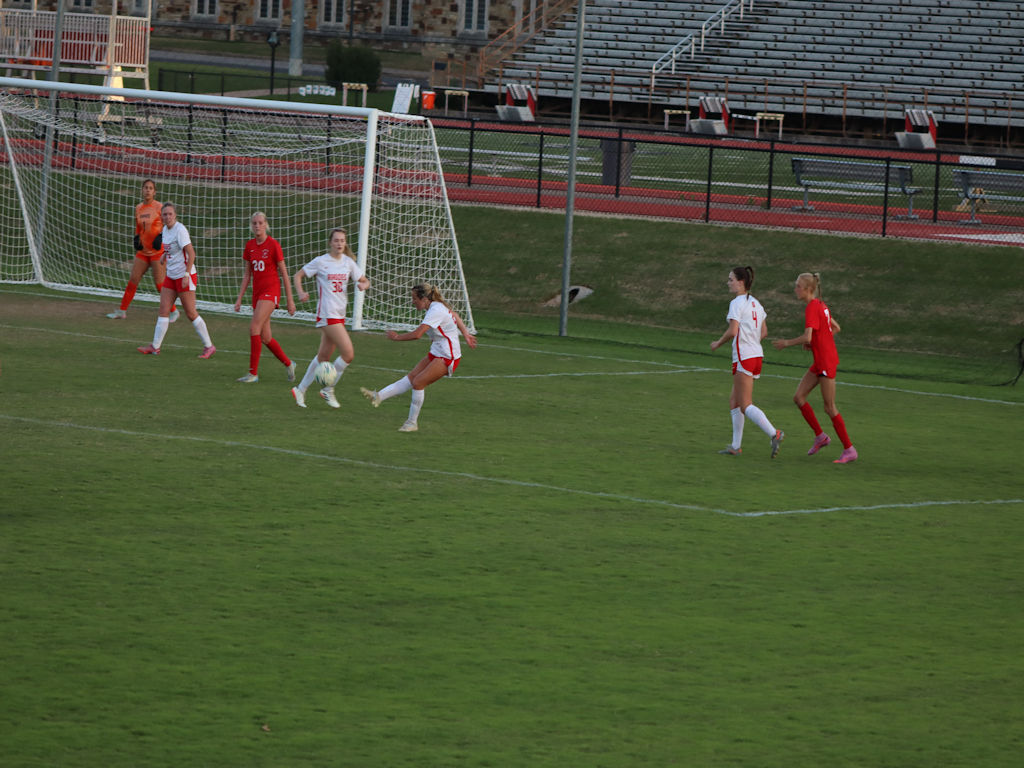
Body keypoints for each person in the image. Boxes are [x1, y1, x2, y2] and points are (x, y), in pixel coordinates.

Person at [360, 282, 477, 432]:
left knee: (418, 382)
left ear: (424, 299)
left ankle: (411, 423)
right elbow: (455, 315)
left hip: (448, 356)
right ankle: (379, 396)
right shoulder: (435, 307)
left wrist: (397, 337)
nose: (412, 301)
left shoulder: (435, 310)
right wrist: (466, 334)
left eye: (414, 298)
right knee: (411, 378)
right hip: (437, 352)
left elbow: (417, 334)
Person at [772, 272, 858, 464]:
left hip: (826, 362)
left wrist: (787, 343)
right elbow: (835, 328)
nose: (795, 289)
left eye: (798, 286)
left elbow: (807, 336)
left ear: (808, 289)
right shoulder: (821, 304)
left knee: (829, 407)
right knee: (799, 397)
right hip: (820, 360)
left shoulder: (812, 307)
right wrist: (816, 344)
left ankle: (849, 449)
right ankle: (820, 437)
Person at [290, 227, 370, 408]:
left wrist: (363, 285)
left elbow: (365, 280)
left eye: (342, 240)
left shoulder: (348, 262)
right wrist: (301, 293)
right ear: (330, 243)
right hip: (327, 314)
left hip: (340, 315)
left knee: (323, 356)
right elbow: (298, 276)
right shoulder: (321, 261)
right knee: (348, 354)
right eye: (336, 240)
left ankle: (300, 389)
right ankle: (328, 389)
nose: (339, 244)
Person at [709, 266, 784, 458]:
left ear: (741, 282)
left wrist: (718, 343)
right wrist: (751, 341)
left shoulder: (736, 303)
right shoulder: (756, 303)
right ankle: (735, 446)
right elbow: (764, 332)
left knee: (745, 404)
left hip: (744, 356)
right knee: (734, 400)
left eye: (731, 279)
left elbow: (733, 330)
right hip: (756, 355)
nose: (728, 282)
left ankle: (774, 433)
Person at [136, 202, 216, 358]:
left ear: (175, 215)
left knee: (191, 313)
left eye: (170, 214)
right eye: (165, 214)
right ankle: (155, 347)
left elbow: (191, 254)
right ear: (161, 217)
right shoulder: (165, 230)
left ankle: (209, 346)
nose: (168, 217)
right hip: (171, 276)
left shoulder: (180, 230)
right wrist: (164, 256)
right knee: (163, 310)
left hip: (184, 276)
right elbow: (172, 248)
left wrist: (186, 275)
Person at [232, 212, 297, 383]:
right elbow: (247, 275)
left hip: (271, 291)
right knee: (266, 337)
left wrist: (290, 300)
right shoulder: (250, 246)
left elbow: (284, 274)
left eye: (260, 222)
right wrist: (239, 298)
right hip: (258, 294)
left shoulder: (273, 245)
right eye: (254, 223)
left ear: (266, 224)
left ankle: (253, 374)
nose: (257, 226)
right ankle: (289, 364)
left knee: (254, 327)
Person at [107, 179, 179, 323]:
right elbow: (138, 227)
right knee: (133, 280)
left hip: (157, 253)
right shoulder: (138, 207)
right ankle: (122, 311)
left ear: (154, 192)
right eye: (145, 187)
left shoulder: (159, 207)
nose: (147, 190)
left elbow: (170, 225)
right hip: (143, 253)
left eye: (150, 188)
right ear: (142, 190)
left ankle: (174, 311)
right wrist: (136, 237)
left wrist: (161, 236)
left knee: (160, 284)